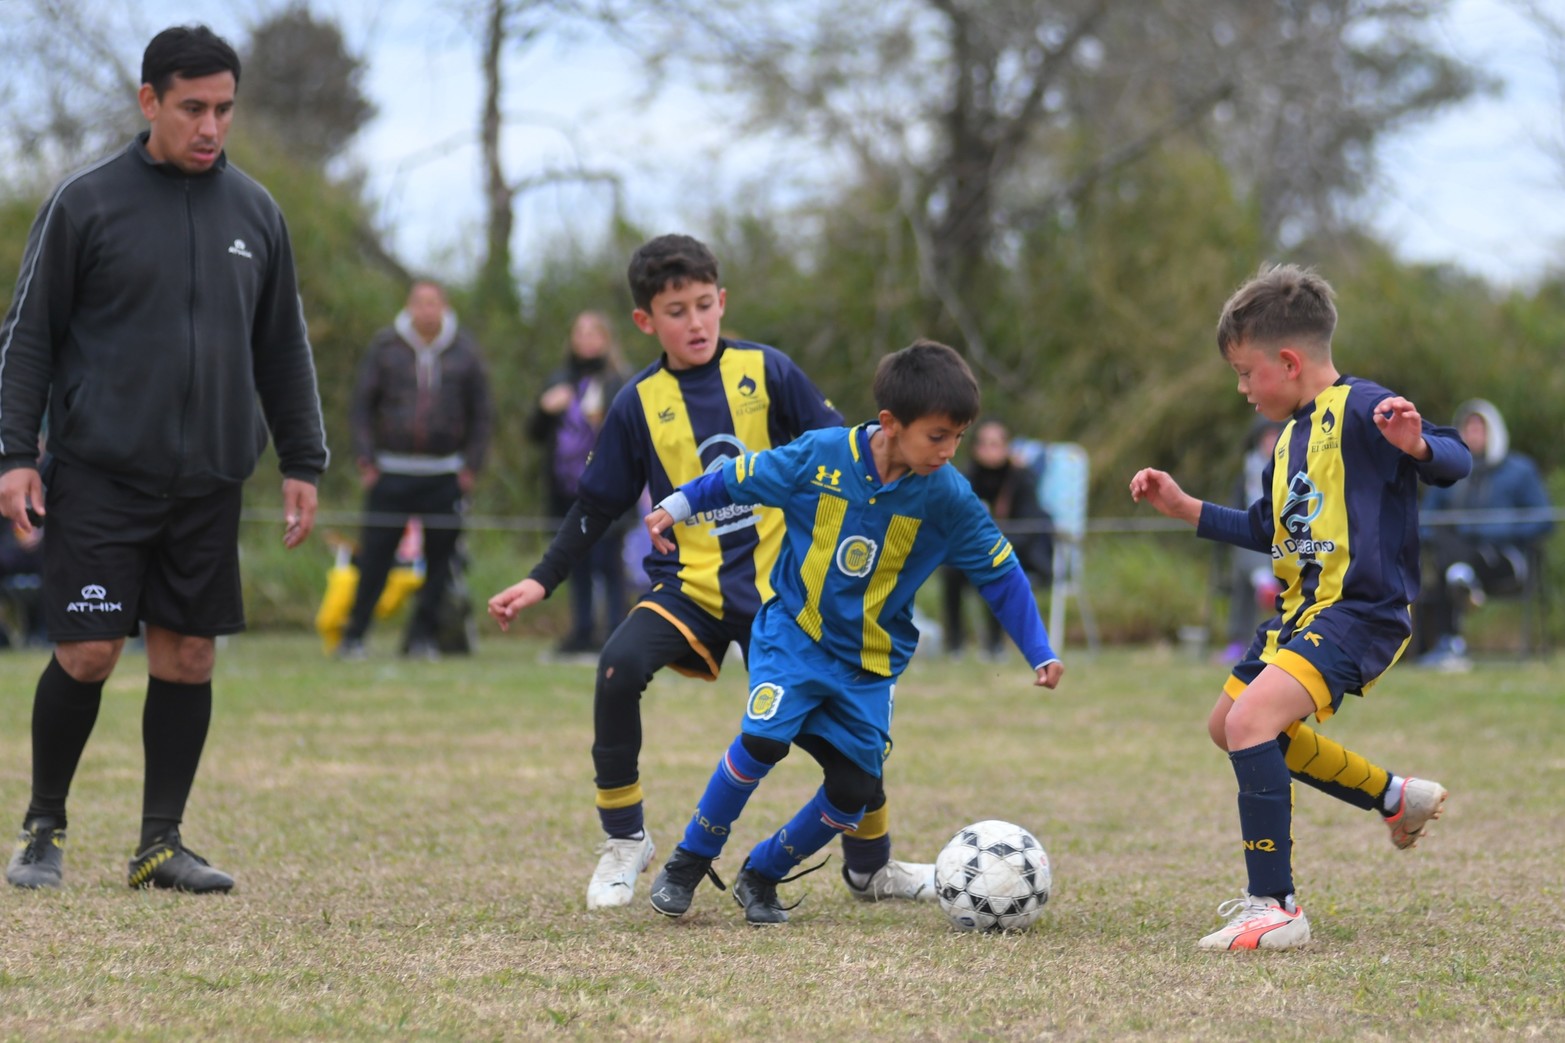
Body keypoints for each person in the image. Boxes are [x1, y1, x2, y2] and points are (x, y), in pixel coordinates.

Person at [489, 234, 935, 911]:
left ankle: (869, 866)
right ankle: (624, 841)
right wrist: (540, 579)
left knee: (847, 734)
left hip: (784, 600)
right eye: (675, 310)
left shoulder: (769, 371)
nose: (693, 322)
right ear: (645, 321)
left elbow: (843, 457)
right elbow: (597, 504)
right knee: (615, 667)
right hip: (687, 588)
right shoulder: (636, 401)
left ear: (722, 301)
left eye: (703, 305)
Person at [0, 26, 329, 892]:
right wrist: (12, 453)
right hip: (101, 475)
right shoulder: (84, 202)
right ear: (149, 101)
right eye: (192, 107)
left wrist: (304, 458)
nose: (210, 125)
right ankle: (42, 828)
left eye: (223, 108)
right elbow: (28, 336)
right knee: (90, 652)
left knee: (189, 658)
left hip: (210, 482)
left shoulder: (257, 212)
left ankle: (160, 844)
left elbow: (283, 347)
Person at [642, 340, 1064, 925]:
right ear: (890, 424)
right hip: (795, 634)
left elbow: (1000, 572)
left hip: (867, 662)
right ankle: (689, 860)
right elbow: (741, 476)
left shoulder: (946, 496)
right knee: (762, 741)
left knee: (855, 788)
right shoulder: (819, 457)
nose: (949, 451)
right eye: (937, 436)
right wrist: (677, 504)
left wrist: (1038, 648)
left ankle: (761, 873)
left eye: (958, 437)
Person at [1129, 264, 1468, 950]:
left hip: (1360, 609)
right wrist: (1182, 506)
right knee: (1229, 726)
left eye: (1245, 371)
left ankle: (1275, 905)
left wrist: (1419, 444)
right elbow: (1267, 528)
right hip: (1298, 613)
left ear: (1286, 361)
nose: (1241, 387)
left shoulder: (1366, 408)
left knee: (1253, 719)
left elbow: (1456, 457)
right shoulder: (1284, 440)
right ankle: (1394, 796)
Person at [338, 280, 491, 662]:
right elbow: (361, 406)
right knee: (375, 556)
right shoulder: (385, 346)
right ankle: (355, 635)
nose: (426, 310)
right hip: (391, 470)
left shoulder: (466, 352)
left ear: (444, 307)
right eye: (419, 303)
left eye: (433, 303)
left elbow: (482, 413)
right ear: (409, 307)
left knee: (440, 561)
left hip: (444, 473)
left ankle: (422, 638)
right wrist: (365, 458)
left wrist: (472, 464)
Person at [1415, 398, 1553, 670]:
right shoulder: (1449, 474)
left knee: (1448, 563)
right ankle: (1460, 583)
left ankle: (1449, 644)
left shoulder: (1520, 471)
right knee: (1449, 555)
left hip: (1503, 559)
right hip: (1456, 553)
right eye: (1468, 428)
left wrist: (1499, 530)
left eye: (1479, 429)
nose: (1473, 434)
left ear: (1494, 431)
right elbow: (1426, 519)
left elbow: (1543, 519)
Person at [526, 311, 632, 656]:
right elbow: (533, 434)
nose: (586, 339)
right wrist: (545, 409)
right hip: (566, 489)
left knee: (608, 564)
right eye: (580, 333)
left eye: (593, 333)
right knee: (576, 562)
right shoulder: (559, 382)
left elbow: (635, 436)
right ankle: (582, 632)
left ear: (606, 339)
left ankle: (616, 632)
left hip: (609, 489)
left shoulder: (620, 382)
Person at [941, 418, 1052, 660]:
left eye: (996, 444)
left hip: (1019, 552)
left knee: (995, 564)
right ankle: (954, 645)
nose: (990, 450)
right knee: (950, 570)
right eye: (984, 444)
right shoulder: (966, 477)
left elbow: (1031, 525)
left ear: (1007, 447)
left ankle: (995, 645)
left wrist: (997, 545)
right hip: (976, 552)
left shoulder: (1021, 478)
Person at [1216, 418, 1285, 664]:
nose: (1270, 442)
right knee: (1244, 549)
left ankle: (1264, 582)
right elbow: (1237, 508)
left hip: (1286, 538)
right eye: (1266, 437)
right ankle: (1239, 640)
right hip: (1253, 536)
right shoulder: (1248, 471)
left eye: (1275, 437)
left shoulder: (1295, 467)